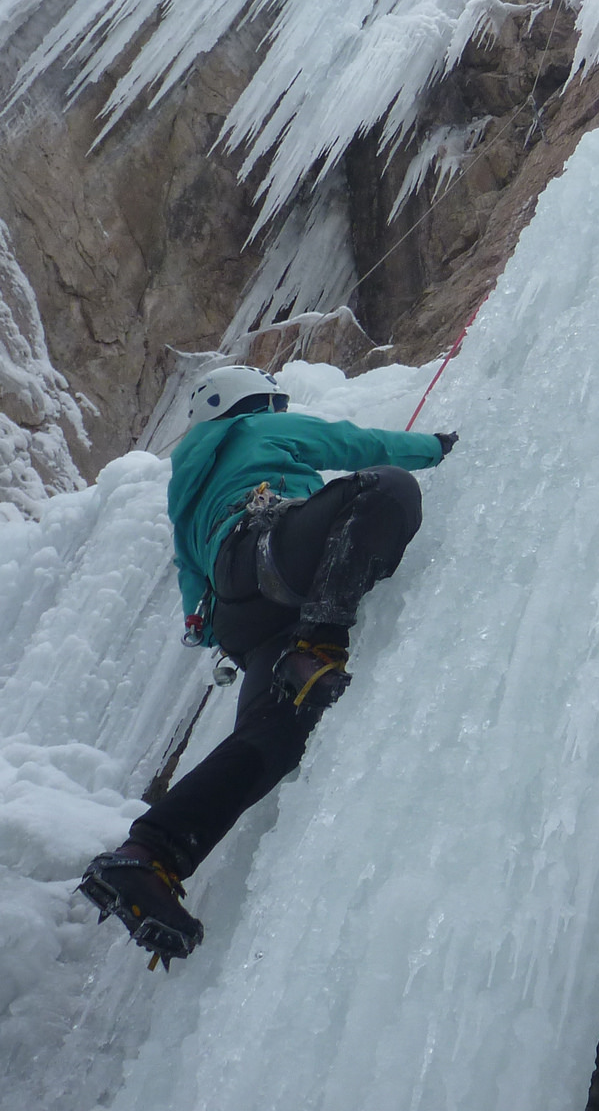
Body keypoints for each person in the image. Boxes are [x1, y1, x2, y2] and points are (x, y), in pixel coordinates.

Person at [78, 364, 455, 965]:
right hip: (272, 549)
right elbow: (353, 443)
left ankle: (148, 855)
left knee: (272, 739)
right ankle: (319, 641)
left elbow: (188, 571)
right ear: (249, 404)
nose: (277, 416)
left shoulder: (188, 486)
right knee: (386, 487)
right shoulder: (251, 430)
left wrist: (198, 622)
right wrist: (432, 448)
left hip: (241, 615)